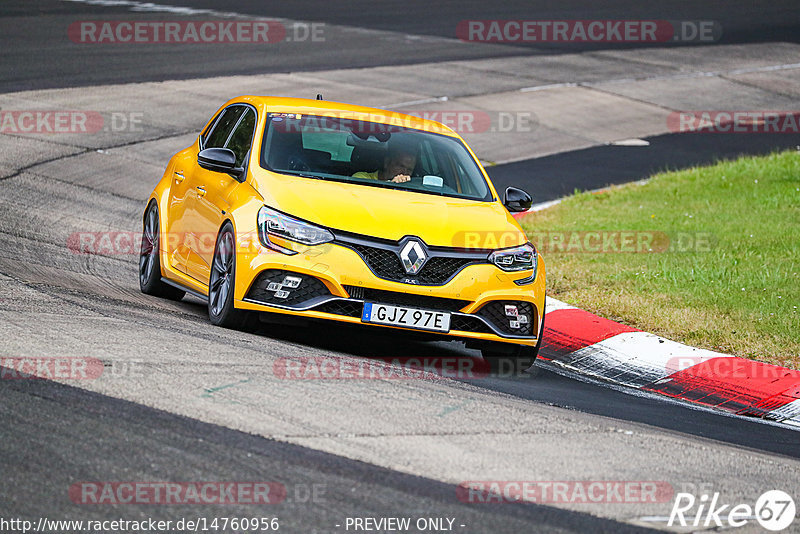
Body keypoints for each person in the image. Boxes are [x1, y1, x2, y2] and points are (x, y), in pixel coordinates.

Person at [352, 136, 417, 183]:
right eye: (401, 166)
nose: (404, 173)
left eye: (409, 170)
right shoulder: (361, 178)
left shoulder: (413, 189)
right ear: (387, 163)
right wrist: (392, 185)